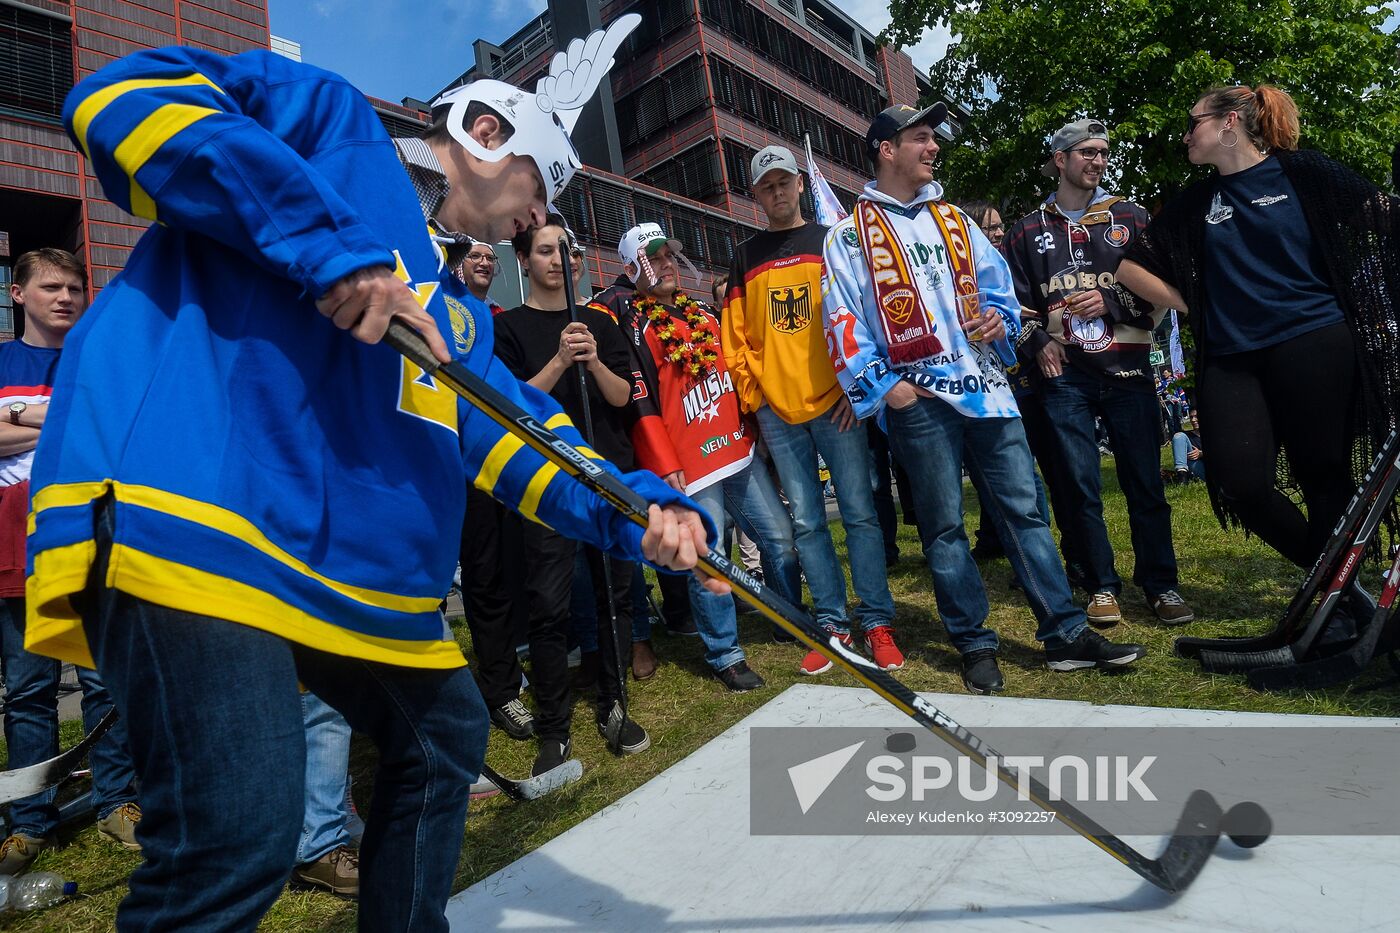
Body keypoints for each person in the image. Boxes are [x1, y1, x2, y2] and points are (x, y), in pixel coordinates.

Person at [32, 28, 720, 931]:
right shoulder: (332, 122)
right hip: (194, 503)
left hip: (322, 565)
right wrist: (327, 244)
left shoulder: (456, 315)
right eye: (537, 186)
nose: (534, 218)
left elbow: (518, 434)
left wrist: (639, 511)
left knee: (443, 736)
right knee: (237, 836)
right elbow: (120, 96)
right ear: (484, 133)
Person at [822, 103, 1147, 694]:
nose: (934, 148)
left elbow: (1000, 291)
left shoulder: (956, 221)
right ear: (886, 150)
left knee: (1025, 511)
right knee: (945, 526)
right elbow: (842, 319)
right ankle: (973, 642)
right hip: (920, 399)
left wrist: (1001, 322)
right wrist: (888, 389)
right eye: (921, 138)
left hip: (986, 389)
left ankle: (1065, 633)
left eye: (933, 138)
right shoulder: (848, 236)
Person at [1117, 84, 1400, 573]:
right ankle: (1331, 582)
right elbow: (1129, 267)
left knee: (1324, 476)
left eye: (1193, 123)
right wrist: (1194, 306)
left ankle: (1336, 601)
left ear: (1229, 121)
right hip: (1232, 357)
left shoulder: (1304, 172)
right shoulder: (1197, 202)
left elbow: (1385, 218)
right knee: (1240, 485)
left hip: (1315, 343)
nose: (1185, 135)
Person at [593, 222, 805, 692]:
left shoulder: (704, 313)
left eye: (669, 255)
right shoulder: (632, 326)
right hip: (688, 465)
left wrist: (753, 430)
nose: (666, 264)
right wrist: (664, 463)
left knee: (779, 536)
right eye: (654, 258)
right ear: (632, 268)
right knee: (709, 558)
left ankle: (788, 618)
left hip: (736, 450)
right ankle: (726, 653)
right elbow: (640, 401)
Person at [721, 144, 903, 674]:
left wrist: (855, 388)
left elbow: (863, 315)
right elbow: (735, 338)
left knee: (860, 514)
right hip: (778, 413)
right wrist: (757, 400)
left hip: (836, 404)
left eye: (784, 182)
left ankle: (877, 621)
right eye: (767, 186)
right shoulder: (744, 257)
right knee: (807, 522)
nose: (777, 192)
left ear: (800, 184)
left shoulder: (834, 240)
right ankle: (831, 623)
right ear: (756, 195)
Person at [1004, 119, 1194, 626]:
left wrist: (1110, 300)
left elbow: (1165, 288)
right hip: (1065, 375)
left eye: (1103, 152)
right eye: (1087, 152)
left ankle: (1161, 584)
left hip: (1127, 369)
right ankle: (1100, 586)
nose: (1098, 161)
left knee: (1144, 482)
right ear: (1060, 159)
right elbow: (1011, 304)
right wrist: (1038, 341)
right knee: (1079, 485)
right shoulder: (1025, 230)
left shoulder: (1132, 218)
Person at [0, 249, 141, 875]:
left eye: (76, 288)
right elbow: (81, 428)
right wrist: (62, 420)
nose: (66, 297)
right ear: (18, 294)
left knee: (105, 683)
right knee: (28, 691)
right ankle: (30, 821)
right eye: (51, 287)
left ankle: (118, 800)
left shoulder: (101, 361)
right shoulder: (3, 362)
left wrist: (14, 416)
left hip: (95, 543)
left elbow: (116, 435)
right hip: (16, 549)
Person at [494, 215, 652, 768]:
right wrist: (559, 360)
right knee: (549, 605)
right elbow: (511, 408)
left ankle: (615, 704)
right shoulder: (509, 328)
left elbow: (622, 397)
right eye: (544, 251)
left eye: (565, 250)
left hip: (606, 478)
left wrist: (591, 361)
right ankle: (554, 728)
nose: (557, 260)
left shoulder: (600, 322)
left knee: (615, 594)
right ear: (523, 261)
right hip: (548, 487)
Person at [455, 239, 536, 742]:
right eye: (474, 256)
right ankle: (501, 688)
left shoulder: (499, 319)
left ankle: (513, 663)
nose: (485, 262)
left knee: (514, 566)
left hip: (506, 461)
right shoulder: (442, 312)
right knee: (482, 574)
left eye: (490, 257)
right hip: (460, 464)